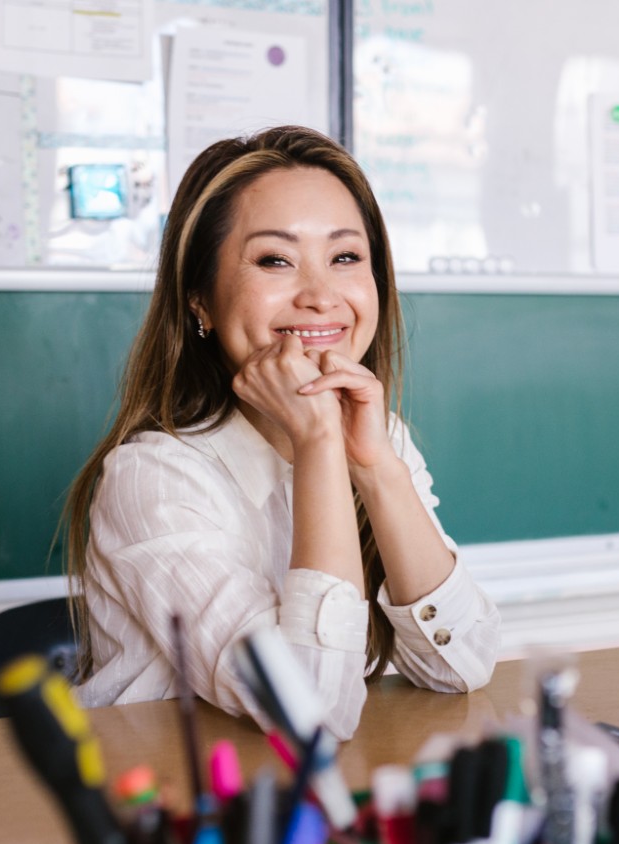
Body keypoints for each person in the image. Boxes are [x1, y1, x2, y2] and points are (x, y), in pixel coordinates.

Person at [63, 126, 499, 739]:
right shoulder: (152, 477)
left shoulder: (380, 438)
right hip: (181, 814)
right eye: (275, 260)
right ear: (200, 302)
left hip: (310, 803)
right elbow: (310, 714)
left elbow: (464, 665)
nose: (322, 297)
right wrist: (321, 444)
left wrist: (375, 470)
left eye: (346, 257)